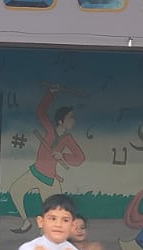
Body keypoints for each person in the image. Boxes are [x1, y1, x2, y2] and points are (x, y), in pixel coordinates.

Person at [6, 86, 85, 232]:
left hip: (49, 180)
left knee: (54, 213)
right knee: (15, 191)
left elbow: (80, 158)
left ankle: (46, 237)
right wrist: (50, 94)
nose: (73, 120)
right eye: (70, 117)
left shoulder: (68, 139)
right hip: (35, 172)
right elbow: (40, 113)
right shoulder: (50, 129)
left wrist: (62, 155)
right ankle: (25, 222)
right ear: (60, 121)